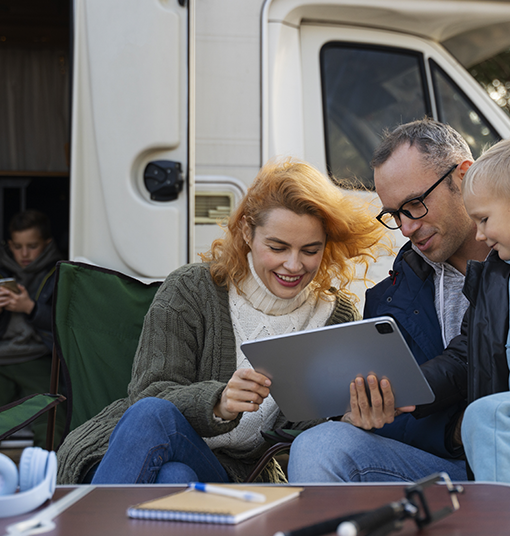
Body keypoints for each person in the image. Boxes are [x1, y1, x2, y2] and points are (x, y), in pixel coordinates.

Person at [56, 158, 388, 484]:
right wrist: (220, 403)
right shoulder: (192, 289)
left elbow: (307, 433)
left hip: (229, 472)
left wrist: (347, 418)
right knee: (166, 454)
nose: (293, 265)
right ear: (247, 232)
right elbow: (148, 395)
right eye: (277, 246)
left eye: (310, 250)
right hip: (130, 448)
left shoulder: (335, 316)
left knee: (179, 474)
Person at [288, 118, 489, 483]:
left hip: (500, 457)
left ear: (463, 176)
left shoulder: (503, 268)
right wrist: (365, 419)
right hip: (440, 471)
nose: (407, 227)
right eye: (395, 214)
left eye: (414, 204)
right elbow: (397, 425)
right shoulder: (387, 300)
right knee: (319, 445)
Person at [412, 139, 510, 482]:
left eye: (484, 219)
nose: (479, 236)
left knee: (486, 414)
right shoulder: (495, 277)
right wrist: (411, 388)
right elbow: (467, 350)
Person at [0, 209, 63, 449]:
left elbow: (63, 326)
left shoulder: (59, 274)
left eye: (32, 246)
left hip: (38, 357)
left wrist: (30, 308)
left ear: (47, 243)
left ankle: (48, 480)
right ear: (9, 245)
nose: (24, 254)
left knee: (52, 420)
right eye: (17, 246)